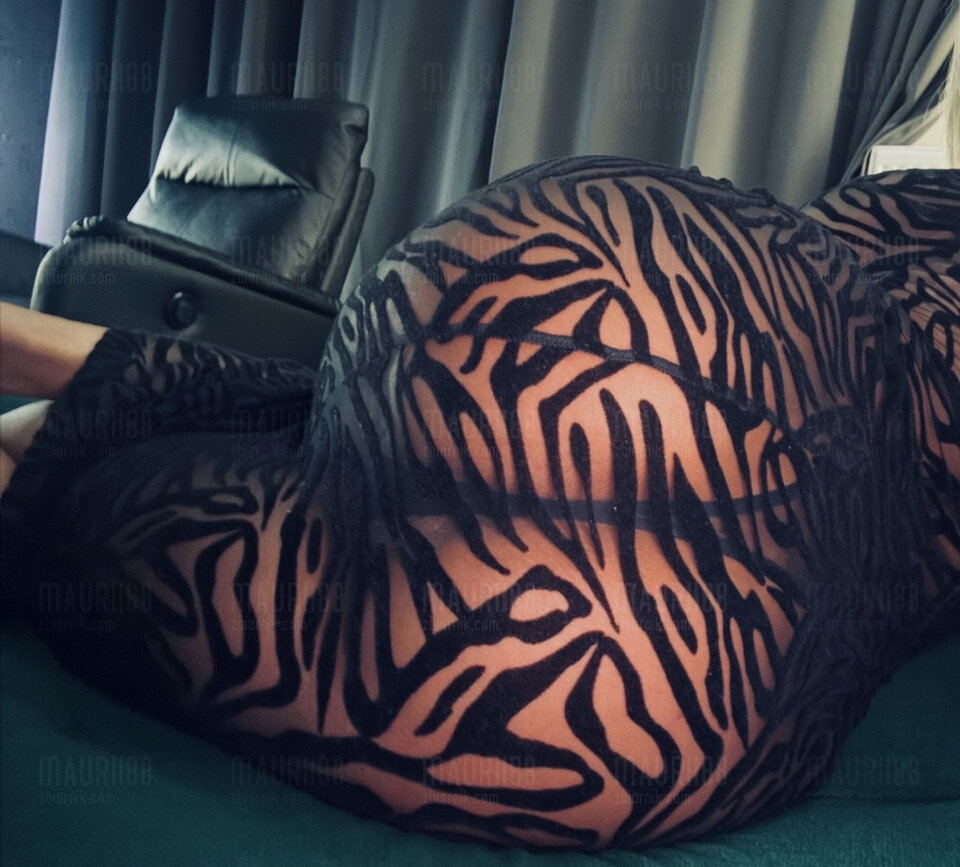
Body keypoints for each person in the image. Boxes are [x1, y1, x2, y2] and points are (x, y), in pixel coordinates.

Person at [1, 157, 958, 851]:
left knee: (338, 421)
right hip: (685, 652)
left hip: (610, 269)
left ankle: (55, 353)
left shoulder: (927, 198)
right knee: (66, 516)